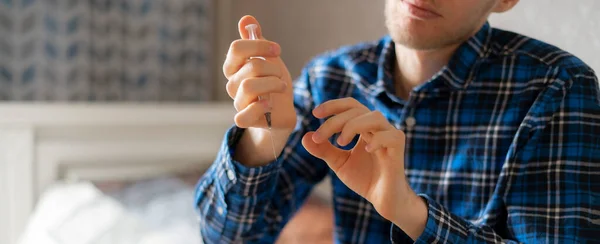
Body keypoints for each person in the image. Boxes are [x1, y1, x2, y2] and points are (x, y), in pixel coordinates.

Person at [195, 0, 600, 243]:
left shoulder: (556, 87)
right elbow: (227, 237)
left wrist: (410, 213)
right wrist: (261, 140)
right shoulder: (332, 78)